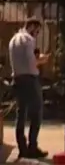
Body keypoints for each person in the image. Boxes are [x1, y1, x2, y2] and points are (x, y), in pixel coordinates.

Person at [8, 18, 49, 159]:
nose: (36, 35)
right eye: (36, 31)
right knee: (36, 113)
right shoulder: (28, 40)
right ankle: (32, 146)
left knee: (21, 114)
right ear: (31, 26)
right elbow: (31, 63)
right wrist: (41, 60)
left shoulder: (13, 40)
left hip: (17, 79)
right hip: (30, 79)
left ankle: (22, 148)